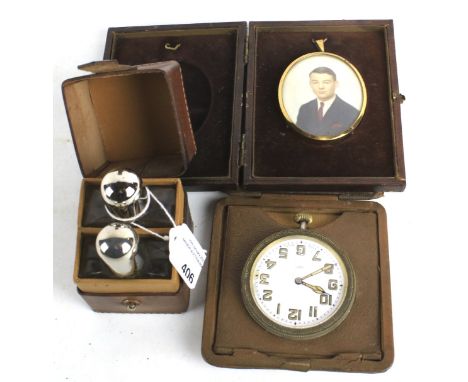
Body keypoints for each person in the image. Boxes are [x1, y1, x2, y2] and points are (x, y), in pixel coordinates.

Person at [296, 67, 360, 137]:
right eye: (315, 82)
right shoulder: (304, 109)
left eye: (326, 82)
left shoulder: (351, 112)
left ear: (336, 84)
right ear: (310, 84)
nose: (320, 87)